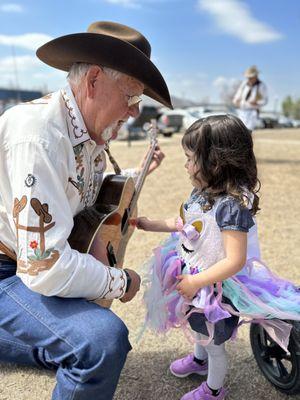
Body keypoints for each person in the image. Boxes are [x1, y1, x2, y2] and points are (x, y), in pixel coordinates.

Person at [0, 21, 172, 400]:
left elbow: (82, 193)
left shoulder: (85, 132)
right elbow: (46, 268)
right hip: (9, 271)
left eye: (137, 102)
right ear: (94, 80)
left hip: (22, 266)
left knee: (86, 332)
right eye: (130, 97)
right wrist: (122, 281)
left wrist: (136, 173)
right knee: (101, 340)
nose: (133, 112)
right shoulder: (39, 135)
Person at [135, 114, 300, 400]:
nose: (186, 165)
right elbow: (187, 223)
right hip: (195, 272)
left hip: (217, 286)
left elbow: (234, 260)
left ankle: (214, 389)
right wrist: (153, 224)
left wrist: (198, 281)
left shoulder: (231, 208)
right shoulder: (201, 192)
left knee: (213, 339)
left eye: (191, 158)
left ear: (216, 162)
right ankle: (199, 361)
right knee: (195, 322)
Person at [233, 66, 268, 131]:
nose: (249, 79)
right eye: (248, 77)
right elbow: (238, 95)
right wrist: (236, 100)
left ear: (256, 76)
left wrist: (257, 102)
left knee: (248, 131)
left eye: (251, 77)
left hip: (252, 112)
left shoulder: (261, 86)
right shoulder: (244, 84)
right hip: (241, 111)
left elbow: (265, 100)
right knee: (240, 130)